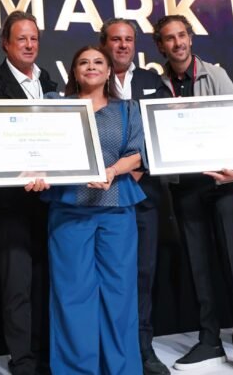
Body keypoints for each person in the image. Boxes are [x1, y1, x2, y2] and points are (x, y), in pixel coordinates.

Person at [152, 15, 233, 375]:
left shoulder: (215, 75)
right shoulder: (158, 86)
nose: (177, 43)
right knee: (198, 267)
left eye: (182, 35)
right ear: (160, 45)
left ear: (191, 38)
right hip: (185, 186)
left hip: (222, 184)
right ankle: (209, 341)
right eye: (169, 38)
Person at [42, 45, 146, 375]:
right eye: (83, 62)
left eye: (98, 62)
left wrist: (112, 171)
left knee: (120, 295)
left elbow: (137, 153)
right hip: (70, 210)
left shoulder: (127, 109)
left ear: (109, 70)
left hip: (117, 210)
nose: (91, 66)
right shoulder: (56, 106)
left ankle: (122, 370)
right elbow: (35, 146)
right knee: (72, 296)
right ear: (74, 71)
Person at [0, 11, 57, 375]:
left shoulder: (48, 80)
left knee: (44, 282)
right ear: (5, 44)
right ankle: (22, 361)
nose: (29, 45)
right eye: (21, 38)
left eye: (34, 38)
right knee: (17, 287)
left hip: (47, 201)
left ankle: (44, 355)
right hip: (10, 204)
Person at [99, 17, 169, 375]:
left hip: (144, 194)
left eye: (128, 39)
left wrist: (138, 170)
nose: (123, 45)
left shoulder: (152, 82)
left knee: (143, 273)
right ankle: (109, 348)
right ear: (104, 44)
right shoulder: (92, 79)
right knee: (109, 276)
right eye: (116, 39)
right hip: (102, 196)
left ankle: (142, 348)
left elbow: (164, 130)